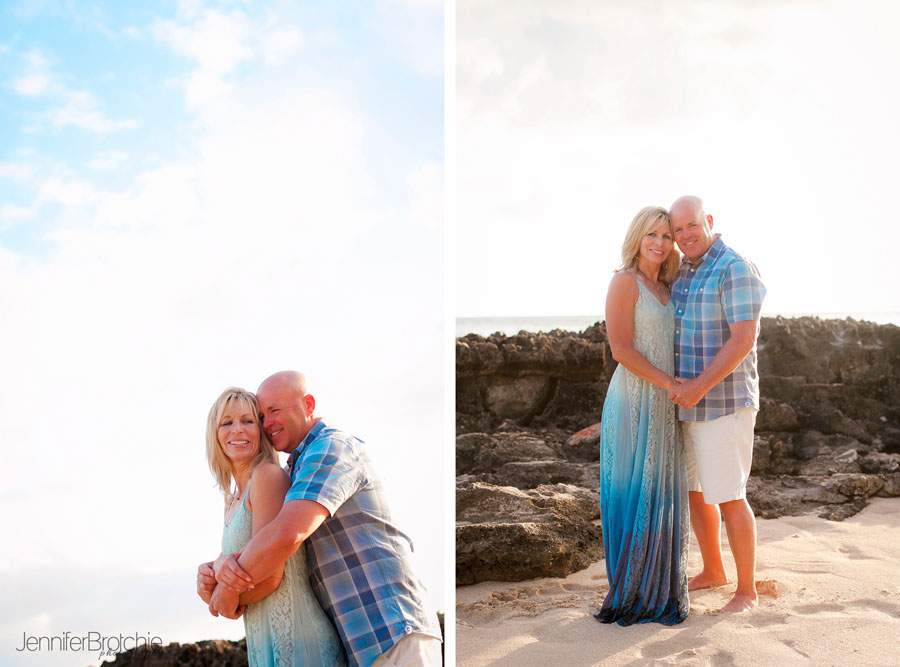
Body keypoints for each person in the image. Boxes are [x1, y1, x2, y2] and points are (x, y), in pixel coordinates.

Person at [201, 371, 442, 667]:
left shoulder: (330, 448)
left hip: (391, 627)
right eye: (262, 415)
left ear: (309, 405)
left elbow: (286, 534)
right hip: (360, 639)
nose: (267, 423)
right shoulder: (296, 467)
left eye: (274, 411)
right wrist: (219, 566)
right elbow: (265, 541)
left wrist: (224, 591)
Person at [197, 387, 346, 666]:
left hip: (299, 639)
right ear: (214, 435)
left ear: (261, 430)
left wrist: (220, 594)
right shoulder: (231, 501)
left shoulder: (267, 477)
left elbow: (270, 578)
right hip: (263, 640)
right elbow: (242, 572)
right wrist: (215, 572)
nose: (237, 430)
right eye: (226, 423)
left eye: (248, 421)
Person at [668, 195, 767, 613]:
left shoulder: (734, 267)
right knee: (696, 492)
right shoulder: (683, 271)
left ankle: (746, 590)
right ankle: (713, 570)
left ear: (708, 220)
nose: (685, 235)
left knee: (729, 495)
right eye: (677, 230)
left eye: (691, 225)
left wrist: (699, 386)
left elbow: (744, 338)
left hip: (724, 402)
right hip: (687, 404)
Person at [595, 206, 690, 626]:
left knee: (662, 492)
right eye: (651, 234)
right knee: (633, 492)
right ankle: (632, 591)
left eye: (666, 236)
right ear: (637, 237)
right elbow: (621, 350)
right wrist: (668, 384)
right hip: (634, 399)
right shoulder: (624, 282)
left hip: (666, 403)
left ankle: (660, 589)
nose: (659, 242)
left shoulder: (670, 285)